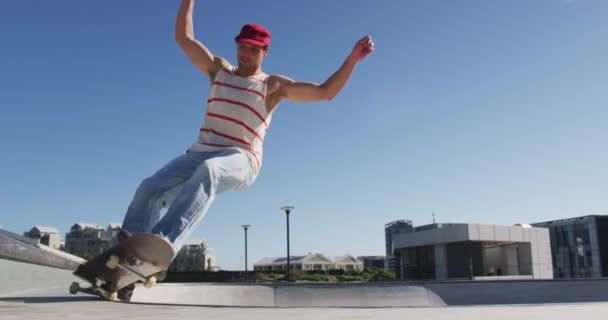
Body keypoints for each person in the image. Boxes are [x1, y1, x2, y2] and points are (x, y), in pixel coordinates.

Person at [121, 0, 375, 256]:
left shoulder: (271, 86)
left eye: (253, 49)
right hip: (200, 152)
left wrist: (352, 60)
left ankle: (160, 244)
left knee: (211, 171)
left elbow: (324, 92)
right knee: (150, 187)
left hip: (242, 157)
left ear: (265, 52)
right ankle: (127, 249)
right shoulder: (218, 70)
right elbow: (184, 39)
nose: (245, 52)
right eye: (242, 46)